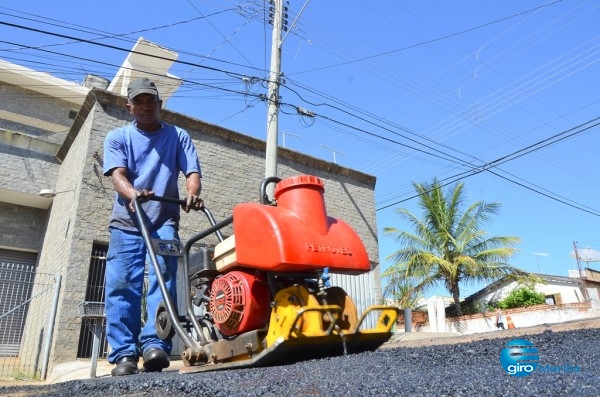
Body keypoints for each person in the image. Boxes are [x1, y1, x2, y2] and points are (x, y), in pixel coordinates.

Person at [103, 77, 204, 376]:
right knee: (122, 285)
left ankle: (155, 345)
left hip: (164, 220)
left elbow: (192, 172)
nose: (146, 106)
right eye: (139, 102)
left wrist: (192, 193)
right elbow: (118, 175)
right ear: (129, 107)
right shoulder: (117, 136)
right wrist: (133, 193)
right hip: (126, 223)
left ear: (160, 105)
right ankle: (124, 354)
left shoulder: (178, 135)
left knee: (165, 281)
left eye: (151, 101)